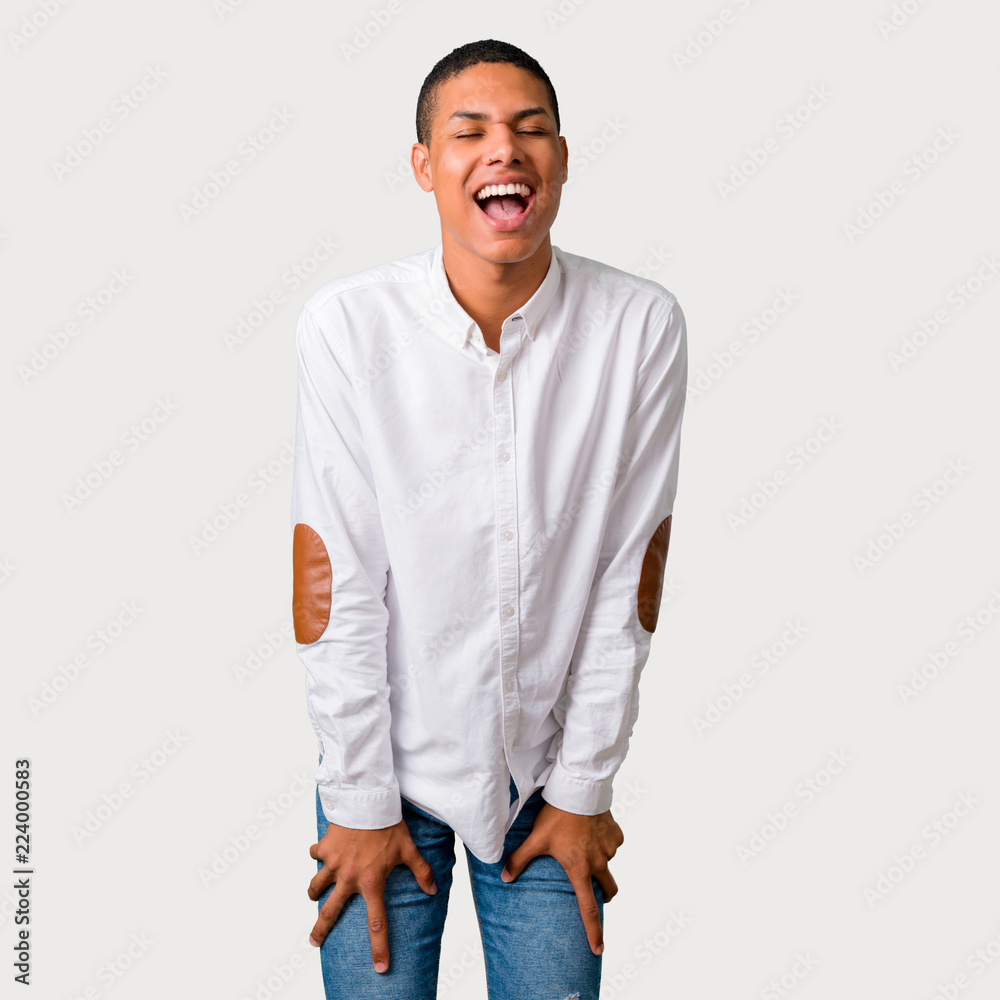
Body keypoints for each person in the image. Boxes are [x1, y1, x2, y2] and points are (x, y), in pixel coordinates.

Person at [289, 38, 687, 1000]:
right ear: (426, 164)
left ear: (560, 158)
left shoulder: (638, 325)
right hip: (386, 771)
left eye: (531, 129)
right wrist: (356, 798)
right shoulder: (349, 327)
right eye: (470, 132)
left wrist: (584, 786)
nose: (504, 150)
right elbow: (336, 580)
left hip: (549, 775)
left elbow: (626, 577)